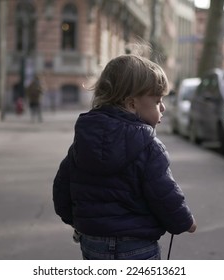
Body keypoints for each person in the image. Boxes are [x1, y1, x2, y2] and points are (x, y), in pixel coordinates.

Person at [53, 54, 197, 260]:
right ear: (131, 104)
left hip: (93, 242)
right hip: (137, 244)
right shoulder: (149, 147)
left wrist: (78, 221)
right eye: (157, 101)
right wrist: (184, 222)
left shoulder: (82, 143)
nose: (163, 108)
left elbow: (61, 190)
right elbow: (164, 194)